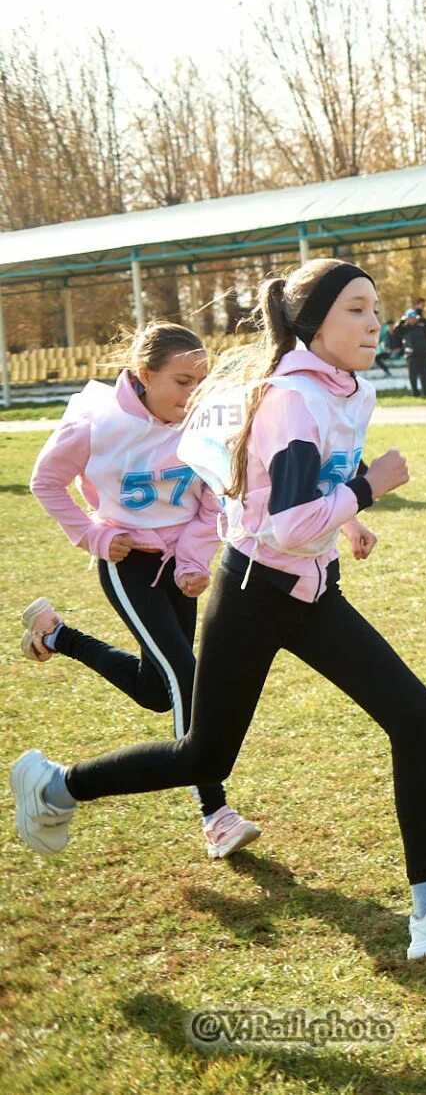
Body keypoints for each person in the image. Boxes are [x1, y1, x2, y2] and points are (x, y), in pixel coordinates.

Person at [11, 259, 426, 960]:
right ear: (315, 322)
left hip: (312, 591)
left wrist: (345, 520)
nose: (374, 321)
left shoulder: (349, 391)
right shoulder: (291, 398)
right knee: (205, 752)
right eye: (357, 309)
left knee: (413, 711)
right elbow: (283, 524)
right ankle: (57, 785)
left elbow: (308, 489)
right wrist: (369, 490)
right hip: (254, 592)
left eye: (376, 307)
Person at [20, 322, 262, 860]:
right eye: (181, 381)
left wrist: (196, 560)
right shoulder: (96, 424)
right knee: (185, 676)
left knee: (158, 692)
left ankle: (56, 636)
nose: (193, 395)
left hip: (180, 569)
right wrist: (95, 535)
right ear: (144, 375)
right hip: (127, 566)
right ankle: (214, 813)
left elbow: (212, 500)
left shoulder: (201, 425)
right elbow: (45, 481)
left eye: (201, 383)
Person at [396, 306, 426, 397]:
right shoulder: (404, 329)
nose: (413, 320)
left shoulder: (421, 327)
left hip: (422, 354)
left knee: (425, 375)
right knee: (413, 376)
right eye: (410, 318)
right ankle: (415, 393)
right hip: (411, 355)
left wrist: (422, 318)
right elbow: (396, 332)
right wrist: (402, 321)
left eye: (414, 317)